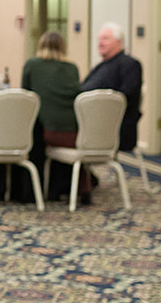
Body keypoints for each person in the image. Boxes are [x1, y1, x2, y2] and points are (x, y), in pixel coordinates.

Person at [21, 30, 85, 202]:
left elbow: (25, 97)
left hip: (48, 132)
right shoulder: (72, 68)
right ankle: (60, 186)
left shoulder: (32, 65)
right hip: (75, 133)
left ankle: (33, 190)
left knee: (34, 129)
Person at [80, 22, 141, 155]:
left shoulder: (130, 65)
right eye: (99, 39)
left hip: (114, 128)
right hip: (91, 122)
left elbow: (123, 97)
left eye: (105, 39)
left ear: (119, 42)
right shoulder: (100, 66)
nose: (100, 43)